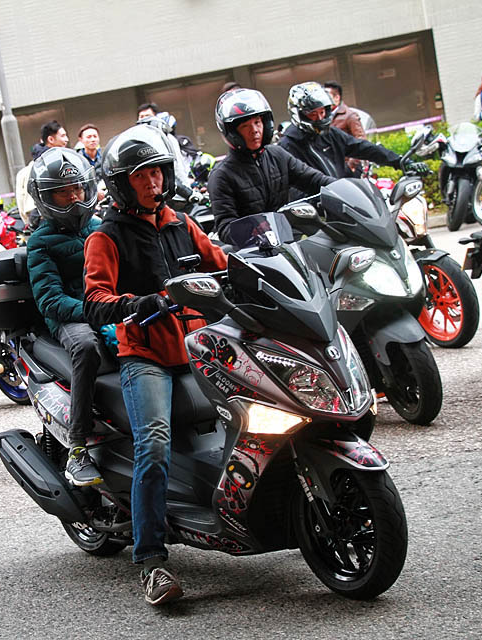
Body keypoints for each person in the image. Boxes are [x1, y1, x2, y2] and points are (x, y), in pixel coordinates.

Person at [83, 124, 227, 605]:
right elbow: (95, 299)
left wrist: (265, 268)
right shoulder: (106, 236)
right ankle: (150, 560)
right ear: (123, 184)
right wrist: (134, 303)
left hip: (197, 347)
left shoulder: (180, 222)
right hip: (145, 357)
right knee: (155, 443)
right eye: (142, 176)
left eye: (157, 172)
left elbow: (220, 263)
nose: (153, 183)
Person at [25, 148, 103, 486]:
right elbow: (49, 300)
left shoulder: (103, 226)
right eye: (62, 192)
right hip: (71, 319)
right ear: (45, 198)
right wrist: (93, 309)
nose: (73, 198)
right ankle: (78, 448)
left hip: (110, 306)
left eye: (77, 189)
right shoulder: (40, 241)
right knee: (87, 348)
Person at [207, 88, 334, 238]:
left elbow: (314, 180)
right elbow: (225, 227)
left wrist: (344, 188)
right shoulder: (222, 175)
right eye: (245, 126)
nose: (255, 130)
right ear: (233, 132)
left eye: (257, 122)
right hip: (254, 252)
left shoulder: (277, 155)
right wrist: (256, 228)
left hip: (288, 238)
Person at [279, 82, 430, 195]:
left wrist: (401, 161)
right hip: (315, 217)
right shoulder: (287, 146)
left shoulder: (330, 134)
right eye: (313, 113)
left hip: (344, 201)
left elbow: (363, 147)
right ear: (299, 113)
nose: (319, 118)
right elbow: (290, 188)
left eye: (322, 112)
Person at [16, 121, 69, 227]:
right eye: (63, 136)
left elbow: (21, 203)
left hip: (37, 219)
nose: (66, 139)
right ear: (51, 139)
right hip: (50, 218)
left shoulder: (29, 168)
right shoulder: (56, 164)